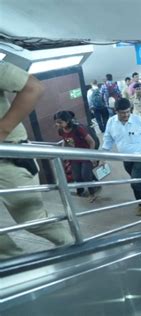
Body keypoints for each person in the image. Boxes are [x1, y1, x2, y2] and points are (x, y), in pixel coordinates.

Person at [0, 61, 72, 258]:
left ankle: (72, 249)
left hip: (8, 157)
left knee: (31, 219)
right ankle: (12, 265)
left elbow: (34, 87)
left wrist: (3, 130)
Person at [102, 98, 141, 216]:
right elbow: (108, 140)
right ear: (116, 111)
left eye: (128, 111)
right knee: (136, 181)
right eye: (122, 112)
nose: (126, 115)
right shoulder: (111, 122)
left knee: (135, 182)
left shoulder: (138, 120)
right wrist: (102, 157)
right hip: (125, 157)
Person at [54, 111, 100, 202]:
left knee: (85, 175)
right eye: (56, 122)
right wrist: (63, 151)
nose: (57, 124)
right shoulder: (61, 130)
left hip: (85, 154)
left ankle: (92, 194)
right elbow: (65, 140)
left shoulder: (78, 129)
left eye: (60, 122)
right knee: (76, 176)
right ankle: (94, 184)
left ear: (67, 121)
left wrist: (91, 156)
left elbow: (92, 142)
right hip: (75, 155)